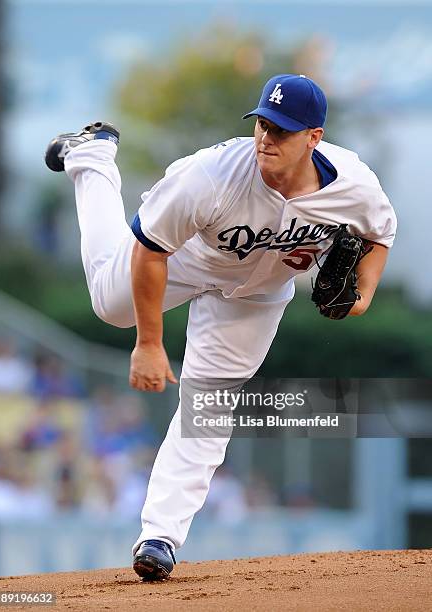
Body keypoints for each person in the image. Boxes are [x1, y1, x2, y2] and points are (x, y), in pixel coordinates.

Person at [45, 74, 397, 580]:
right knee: (110, 305)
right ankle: (93, 158)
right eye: (262, 124)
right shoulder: (210, 175)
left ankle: (159, 537)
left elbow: (381, 232)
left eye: (282, 130)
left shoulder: (353, 184)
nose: (266, 138)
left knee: (209, 405)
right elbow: (151, 249)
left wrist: (360, 298)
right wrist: (148, 343)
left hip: (256, 293)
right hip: (185, 258)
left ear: (313, 138)